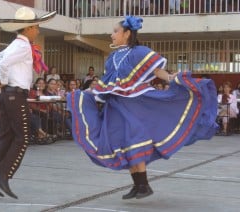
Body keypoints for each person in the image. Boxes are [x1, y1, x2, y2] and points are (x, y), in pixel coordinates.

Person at [67, 16, 218, 200]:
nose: (111, 34)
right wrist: (89, 92)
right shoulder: (112, 57)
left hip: (136, 104)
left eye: (115, 31)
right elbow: (107, 81)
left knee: (133, 141)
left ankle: (142, 185)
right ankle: (140, 185)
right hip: (115, 105)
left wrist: (171, 78)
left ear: (127, 33)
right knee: (123, 143)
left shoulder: (140, 52)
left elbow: (156, 71)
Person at [0, 6, 56, 199]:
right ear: (28, 28)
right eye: (36, 27)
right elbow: (1, 63)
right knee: (22, 137)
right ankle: (2, 175)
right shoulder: (22, 46)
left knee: (6, 136)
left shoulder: (16, 44)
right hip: (15, 95)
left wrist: (1, 79)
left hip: (8, 95)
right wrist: (3, 79)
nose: (38, 30)